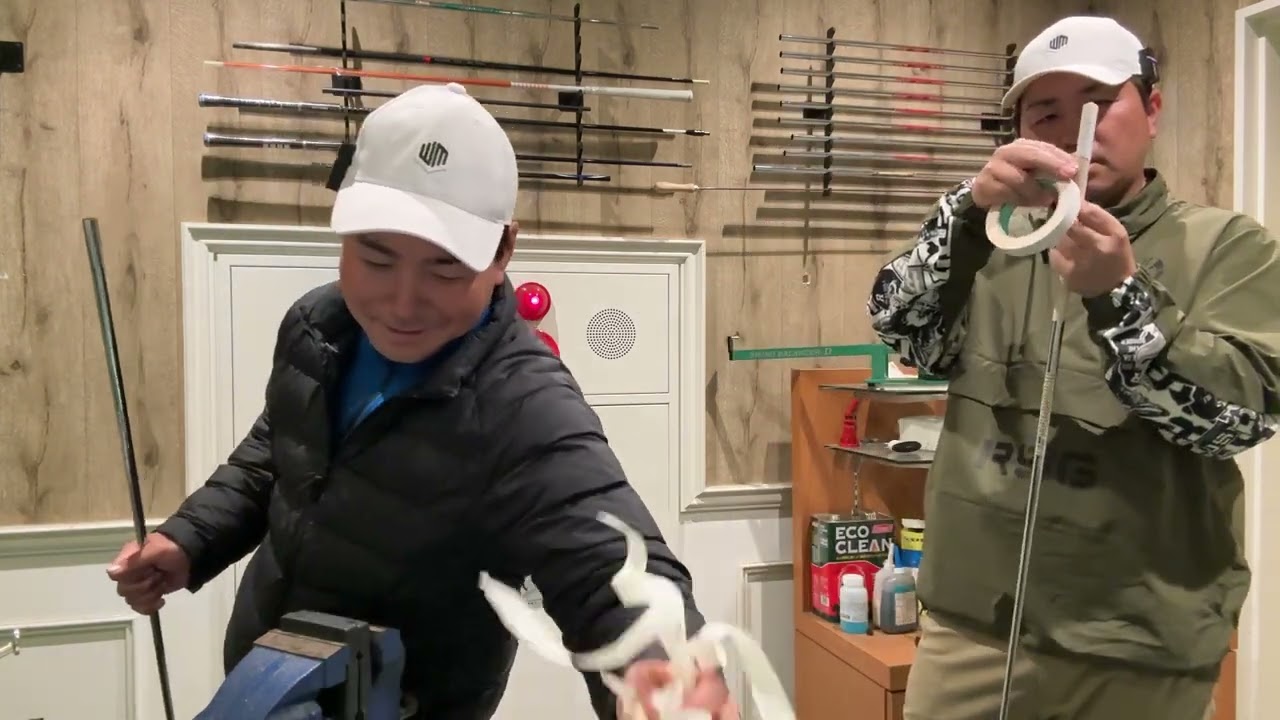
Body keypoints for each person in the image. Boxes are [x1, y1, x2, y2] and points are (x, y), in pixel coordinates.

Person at [107, 82, 735, 720]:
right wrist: (191, 538)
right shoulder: (317, 327)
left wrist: (671, 686)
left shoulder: (523, 405)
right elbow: (276, 453)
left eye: (444, 268)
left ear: (503, 249)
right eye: (376, 259)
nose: (403, 304)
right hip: (265, 678)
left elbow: (612, 575)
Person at [867, 15, 1280, 720]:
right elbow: (906, 336)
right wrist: (964, 212)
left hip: (1140, 644)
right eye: (1045, 112)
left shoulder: (1228, 246)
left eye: (1097, 102)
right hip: (974, 629)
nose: (1070, 131)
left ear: (1152, 109)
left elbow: (1239, 422)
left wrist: (1120, 297)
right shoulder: (990, 239)